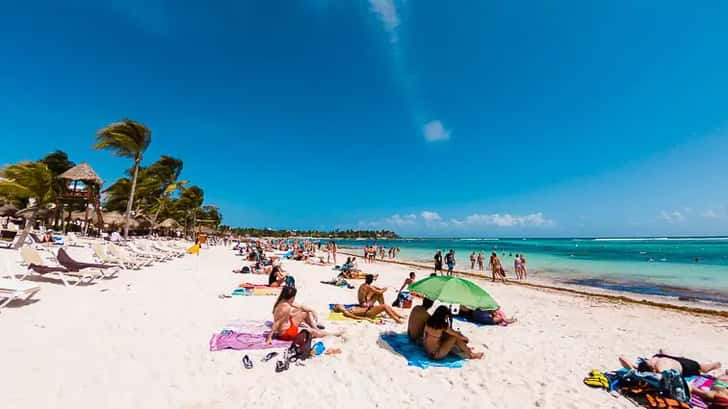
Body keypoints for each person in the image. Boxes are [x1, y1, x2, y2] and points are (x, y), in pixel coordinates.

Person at [267, 287, 338, 343]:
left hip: (288, 326)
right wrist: (269, 338)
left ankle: (314, 327)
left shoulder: (283, 301)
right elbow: (277, 323)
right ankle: (333, 334)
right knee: (313, 332)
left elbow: (300, 306)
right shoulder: (286, 307)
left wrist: (312, 310)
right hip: (287, 333)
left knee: (304, 313)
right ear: (291, 297)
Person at [619, 352, 721, 377]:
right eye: (647, 361)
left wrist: (633, 368)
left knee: (702, 366)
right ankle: (715, 365)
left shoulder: (645, 365)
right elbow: (665, 375)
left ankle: (714, 365)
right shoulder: (660, 367)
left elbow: (622, 358)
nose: (646, 360)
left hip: (668, 357)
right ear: (653, 368)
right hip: (685, 366)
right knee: (703, 368)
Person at [332, 303, 404, 323]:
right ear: (339, 308)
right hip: (368, 313)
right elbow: (353, 317)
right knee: (385, 306)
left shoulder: (347, 309)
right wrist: (365, 318)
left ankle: (398, 316)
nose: (341, 304)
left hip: (368, 310)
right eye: (338, 305)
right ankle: (397, 319)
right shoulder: (345, 312)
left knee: (386, 306)